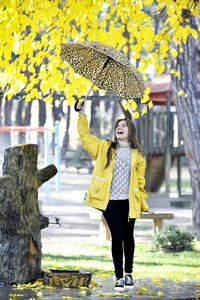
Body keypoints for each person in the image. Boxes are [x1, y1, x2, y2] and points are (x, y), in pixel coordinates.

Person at [76, 101, 155, 292]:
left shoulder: (138, 156)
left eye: (124, 125)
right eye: (117, 125)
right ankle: (119, 277)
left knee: (129, 236)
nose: (119, 127)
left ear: (131, 131)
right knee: (117, 236)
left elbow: (140, 184)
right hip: (109, 201)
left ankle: (129, 274)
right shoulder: (104, 148)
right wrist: (82, 114)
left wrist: (144, 205)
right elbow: (86, 138)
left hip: (130, 202)